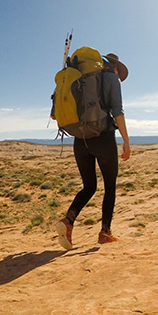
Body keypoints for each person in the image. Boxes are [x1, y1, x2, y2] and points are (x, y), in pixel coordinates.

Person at [56, 53, 131, 249]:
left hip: (80, 140)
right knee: (110, 185)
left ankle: (68, 221)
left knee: (89, 186)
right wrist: (126, 140)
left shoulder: (81, 78)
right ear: (114, 67)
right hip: (103, 138)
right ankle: (105, 232)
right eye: (118, 72)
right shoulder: (111, 78)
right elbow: (118, 110)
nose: (118, 75)